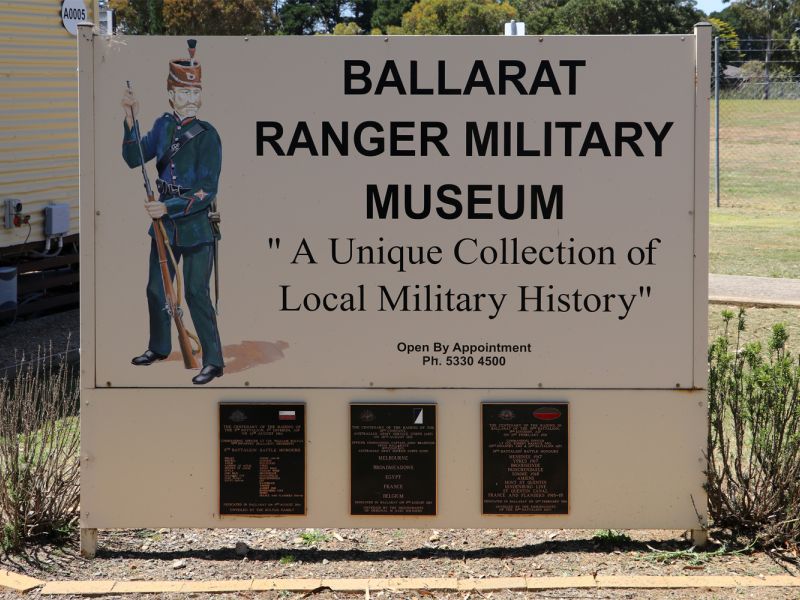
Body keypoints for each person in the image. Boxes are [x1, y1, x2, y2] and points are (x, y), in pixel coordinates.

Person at [121, 40, 224, 385]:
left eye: (196, 92)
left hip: (194, 226)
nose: (192, 99)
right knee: (155, 289)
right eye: (184, 93)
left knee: (196, 293)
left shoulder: (208, 136)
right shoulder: (163, 126)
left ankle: (213, 360)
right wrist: (129, 118)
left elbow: (207, 190)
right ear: (170, 94)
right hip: (163, 225)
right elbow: (135, 158)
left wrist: (169, 206)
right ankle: (160, 346)